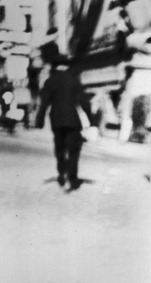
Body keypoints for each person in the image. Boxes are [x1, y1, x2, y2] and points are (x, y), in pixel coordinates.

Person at [35, 55, 92, 190]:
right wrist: (91, 119)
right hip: (73, 121)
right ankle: (72, 177)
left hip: (57, 120)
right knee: (73, 150)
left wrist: (40, 120)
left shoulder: (50, 81)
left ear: (56, 66)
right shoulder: (74, 80)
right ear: (67, 66)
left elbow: (44, 103)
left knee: (59, 148)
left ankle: (62, 172)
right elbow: (84, 101)